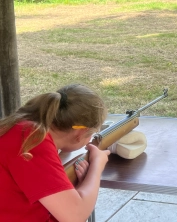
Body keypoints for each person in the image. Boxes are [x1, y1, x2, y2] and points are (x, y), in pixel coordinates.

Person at [0, 83, 110, 222]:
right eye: (92, 134)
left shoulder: (21, 127)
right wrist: (97, 165)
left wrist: (75, 188)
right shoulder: (32, 140)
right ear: (80, 133)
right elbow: (75, 216)